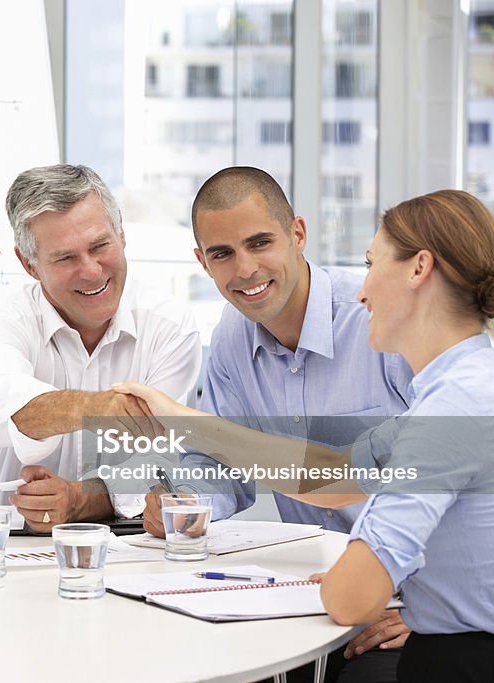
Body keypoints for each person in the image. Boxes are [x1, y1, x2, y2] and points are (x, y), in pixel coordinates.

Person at [138, 167, 413, 682]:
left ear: (298, 234)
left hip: (404, 598)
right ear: (202, 262)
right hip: (309, 596)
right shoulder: (231, 340)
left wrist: (429, 609)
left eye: (259, 242)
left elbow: (461, 479)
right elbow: (218, 462)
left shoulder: (380, 319)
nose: (245, 269)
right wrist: (187, 503)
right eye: (222, 254)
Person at [0, 164, 202, 531]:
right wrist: (101, 408)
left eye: (100, 245)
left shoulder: (169, 326)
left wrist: (77, 500)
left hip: (122, 550)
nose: (91, 271)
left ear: (121, 231)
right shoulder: (3, 323)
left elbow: (156, 468)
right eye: (65, 258)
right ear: (29, 264)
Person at [316, 189, 494, 682]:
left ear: (419, 269)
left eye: (371, 263)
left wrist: (359, 571)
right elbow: (326, 476)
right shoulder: (469, 383)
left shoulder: (451, 409)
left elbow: (350, 599)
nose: (360, 292)